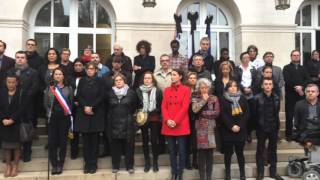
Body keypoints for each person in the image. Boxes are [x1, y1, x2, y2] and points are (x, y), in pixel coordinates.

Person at [7, 51, 39, 162]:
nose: (20, 59)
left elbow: (35, 88)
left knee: (27, 130)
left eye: (22, 57)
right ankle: (12, 154)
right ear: (15, 59)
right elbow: (6, 87)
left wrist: (22, 97)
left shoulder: (33, 72)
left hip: (27, 106)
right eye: (18, 57)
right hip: (12, 107)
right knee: (13, 131)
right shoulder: (10, 71)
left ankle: (26, 153)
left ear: (26, 59)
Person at [75, 62, 105, 174]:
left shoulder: (100, 81)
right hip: (84, 114)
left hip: (96, 113)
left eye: (92, 69)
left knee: (95, 141)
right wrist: (85, 107)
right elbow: (78, 95)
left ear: (96, 70)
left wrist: (92, 107)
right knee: (86, 141)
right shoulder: (82, 80)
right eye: (88, 69)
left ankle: (93, 164)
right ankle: (87, 164)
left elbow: (102, 96)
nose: (90, 70)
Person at [161, 69, 191, 180]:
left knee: (182, 150)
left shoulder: (186, 89)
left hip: (181, 123)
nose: (172, 77)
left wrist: (176, 121)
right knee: (172, 150)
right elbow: (163, 106)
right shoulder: (167, 90)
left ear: (180, 76)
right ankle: (174, 172)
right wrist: (167, 120)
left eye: (174, 75)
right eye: (171, 75)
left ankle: (180, 172)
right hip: (168, 124)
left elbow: (185, 107)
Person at [43, 68, 73, 175]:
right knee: (52, 143)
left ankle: (61, 164)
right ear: (53, 76)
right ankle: (54, 164)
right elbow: (45, 103)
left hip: (64, 119)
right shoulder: (49, 88)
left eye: (60, 74)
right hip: (52, 119)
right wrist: (49, 113)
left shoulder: (68, 88)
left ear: (63, 76)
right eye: (56, 74)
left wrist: (68, 111)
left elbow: (71, 103)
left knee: (63, 142)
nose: (58, 76)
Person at [106, 73, 137, 174]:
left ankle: (130, 166)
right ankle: (115, 166)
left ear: (124, 81)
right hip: (113, 122)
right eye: (116, 80)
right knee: (115, 147)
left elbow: (134, 107)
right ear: (114, 82)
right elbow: (107, 107)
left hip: (127, 122)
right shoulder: (110, 93)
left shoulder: (131, 92)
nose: (118, 81)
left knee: (129, 146)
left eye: (120, 80)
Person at [254, 78, 284, 180]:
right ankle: (260, 173)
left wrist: (277, 127)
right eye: (266, 84)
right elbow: (254, 115)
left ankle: (273, 172)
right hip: (261, 128)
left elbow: (276, 113)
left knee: (273, 150)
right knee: (260, 150)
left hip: (273, 127)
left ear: (272, 86)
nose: (268, 86)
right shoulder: (256, 98)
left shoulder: (276, 97)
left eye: (270, 84)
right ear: (262, 86)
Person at [220, 80, 249, 180]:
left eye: (235, 86)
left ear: (237, 88)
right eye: (230, 86)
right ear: (227, 88)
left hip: (240, 130)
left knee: (240, 153)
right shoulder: (223, 99)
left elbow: (246, 114)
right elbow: (222, 115)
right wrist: (231, 126)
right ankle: (227, 174)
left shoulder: (243, 98)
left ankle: (242, 174)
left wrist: (239, 126)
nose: (233, 88)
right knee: (228, 154)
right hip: (228, 130)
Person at [192, 78, 220, 180]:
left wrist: (203, 114)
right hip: (200, 129)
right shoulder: (195, 98)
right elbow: (195, 110)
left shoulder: (214, 98)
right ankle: (202, 177)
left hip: (211, 129)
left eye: (206, 87)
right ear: (199, 88)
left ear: (209, 88)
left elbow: (216, 113)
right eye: (202, 87)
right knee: (201, 154)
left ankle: (209, 177)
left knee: (210, 154)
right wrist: (204, 100)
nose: (204, 89)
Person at [136, 71, 162, 172]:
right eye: (145, 78)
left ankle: (155, 162)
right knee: (145, 141)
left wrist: (153, 110)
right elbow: (137, 104)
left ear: (152, 80)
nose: (147, 80)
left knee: (154, 141)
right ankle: (147, 162)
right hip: (143, 119)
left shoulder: (158, 91)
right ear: (143, 79)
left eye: (149, 78)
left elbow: (160, 105)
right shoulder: (138, 90)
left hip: (154, 118)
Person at [0, 74, 26, 177]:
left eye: (13, 82)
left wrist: (12, 119)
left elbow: (22, 109)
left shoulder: (22, 93)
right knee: (6, 146)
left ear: (17, 82)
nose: (11, 84)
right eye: (9, 82)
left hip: (16, 123)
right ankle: (8, 165)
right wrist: (3, 119)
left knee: (16, 146)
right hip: (3, 123)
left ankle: (15, 166)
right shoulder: (1, 93)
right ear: (6, 82)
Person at [283, 50, 310, 141]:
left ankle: (300, 133)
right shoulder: (286, 68)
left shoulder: (304, 68)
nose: (296, 57)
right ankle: (289, 135)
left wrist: (301, 87)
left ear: (300, 56)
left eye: (297, 55)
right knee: (289, 116)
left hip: (301, 95)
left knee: (302, 115)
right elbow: (287, 80)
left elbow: (308, 80)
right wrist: (297, 88)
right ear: (291, 56)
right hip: (290, 95)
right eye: (294, 55)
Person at [234, 52, 259, 143]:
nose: (246, 59)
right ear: (241, 59)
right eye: (244, 57)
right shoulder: (237, 69)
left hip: (251, 94)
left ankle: (248, 133)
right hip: (240, 94)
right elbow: (236, 81)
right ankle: (242, 133)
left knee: (251, 115)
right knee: (241, 114)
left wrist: (250, 89)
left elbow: (257, 81)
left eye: (248, 57)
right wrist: (243, 89)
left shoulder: (253, 69)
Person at [69, 58, 85, 159]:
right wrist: (73, 101)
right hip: (72, 106)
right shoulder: (69, 78)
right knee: (73, 130)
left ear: (83, 66)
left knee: (84, 130)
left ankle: (85, 152)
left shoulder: (87, 77)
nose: (78, 67)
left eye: (80, 65)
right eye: (76, 65)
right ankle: (74, 152)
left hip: (83, 106)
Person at [185, 71, 198, 170]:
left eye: (194, 78)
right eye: (191, 78)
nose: (192, 79)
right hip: (186, 117)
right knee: (187, 141)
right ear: (187, 80)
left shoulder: (199, 90)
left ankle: (195, 161)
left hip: (197, 118)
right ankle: (187, 162)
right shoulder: (184, 90)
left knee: (195, 141)